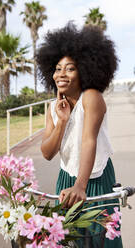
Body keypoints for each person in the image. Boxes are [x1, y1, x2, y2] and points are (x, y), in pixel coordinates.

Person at [36, 22, 123, 247]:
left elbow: (88, 140)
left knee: (101, 240)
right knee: (70, 241)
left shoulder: (92, 98)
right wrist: (62, 122)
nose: (61, 74)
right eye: (57, 68)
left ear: (84, 70)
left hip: (94, 178)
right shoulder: (52, 108)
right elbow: (47, 152)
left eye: (70, 68)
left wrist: (81, 186)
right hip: (66, 180)